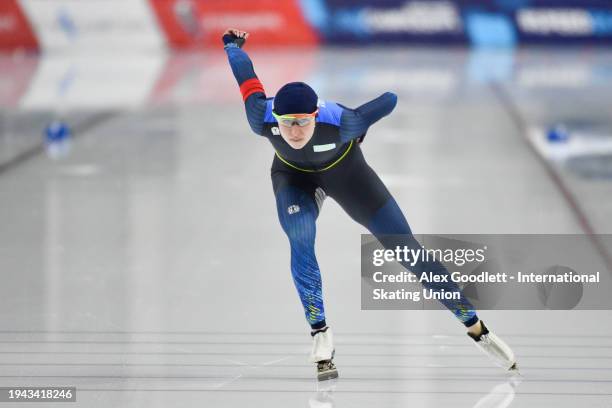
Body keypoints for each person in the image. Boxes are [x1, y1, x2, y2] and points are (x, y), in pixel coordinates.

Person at [222, 28, 517, 381]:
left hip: (350, 177)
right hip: (293, 178)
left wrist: (361, 123)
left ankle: (475, 327)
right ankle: (320, 333)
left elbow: (389, 99)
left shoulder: (343, 123)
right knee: (300, 237)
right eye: (287, 124)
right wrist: (231, 45)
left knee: (409, 251)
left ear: (315, 116)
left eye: (301, 122)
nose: (294, 132)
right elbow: (246, 75)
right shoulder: (262, 119)